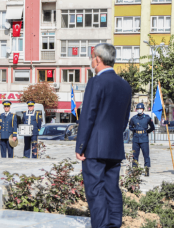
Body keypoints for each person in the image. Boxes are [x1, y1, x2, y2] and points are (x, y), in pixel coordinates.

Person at [75, 43, 132, 228]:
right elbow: (125, 119)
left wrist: (80, 146)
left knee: (95, 190)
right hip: (114, 146)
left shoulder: (95, 82)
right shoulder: (125, 85)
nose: (92, 61)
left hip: (94, 147)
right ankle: (114, 224)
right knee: (112, 188)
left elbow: (88, 116)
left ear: (98, 59)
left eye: (92, 57)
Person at [129, 103, 155, 176]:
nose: (139, 110)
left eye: (140, 109)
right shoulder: (133, 118)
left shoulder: (147, 118)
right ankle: (135, 170)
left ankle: (146, 170)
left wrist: (146, 132)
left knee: (146, 155)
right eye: (138, 109)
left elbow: (152, 127)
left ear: (143, 109)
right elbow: (130, 127)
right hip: (136, 139)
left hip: (144, 139)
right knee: (135, 155)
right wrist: (135, 130)